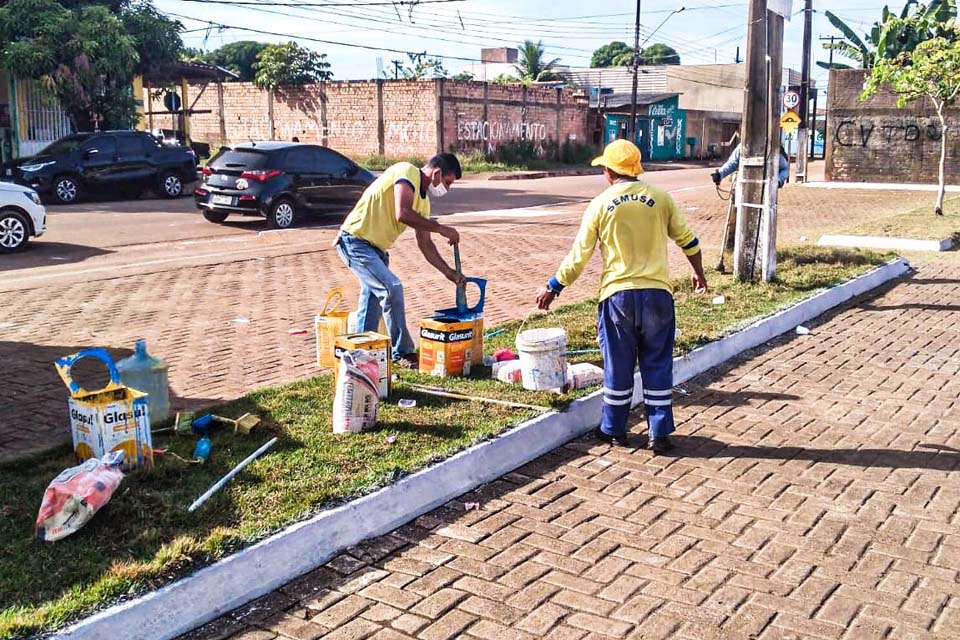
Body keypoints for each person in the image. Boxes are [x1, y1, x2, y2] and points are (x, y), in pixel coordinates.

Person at [535, 140, 708, 455]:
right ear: (636, 170)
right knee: (657, 364)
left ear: (609, 172)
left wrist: (554, 286)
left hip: (618, 298)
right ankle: (659, 433)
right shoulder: (661, 198)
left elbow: (579, 256)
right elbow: (690, 241)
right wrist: (699, 274)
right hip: (658, 296)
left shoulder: (601, 204)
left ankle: (614, 430)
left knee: (618, 365)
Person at [336, 153, 464, 368]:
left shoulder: (424, 203)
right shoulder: (407, 172)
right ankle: (402, 352)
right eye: (447, 182)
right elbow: (402, 213)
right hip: (355, 242)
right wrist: (441, 228)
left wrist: (449, 272)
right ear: (437, 173)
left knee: (371, 304)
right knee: (391, 288)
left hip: (376, 251)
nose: (447, 189)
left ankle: (359, 355)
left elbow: (425, 244)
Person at [711, 143, 790, 188]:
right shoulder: (743, 145)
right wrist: (720, 174)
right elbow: (733, 162)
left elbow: (784, 169)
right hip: (744, 187)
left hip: (767, 189)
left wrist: (779, 180)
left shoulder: (774, 148)